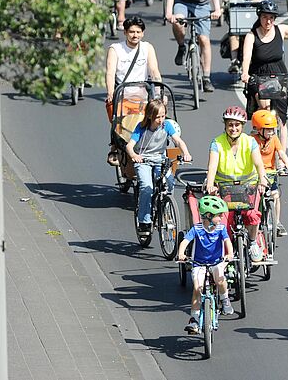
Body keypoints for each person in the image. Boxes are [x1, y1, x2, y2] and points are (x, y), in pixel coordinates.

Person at [240, 0, 288, 152]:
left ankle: (282, 155)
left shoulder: (281, 30)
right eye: (265, 17)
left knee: (281, 118)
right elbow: (246, 57)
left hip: (279, 77)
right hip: (259, 77)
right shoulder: (251, 36)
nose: (268, 21)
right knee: (265, 109)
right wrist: (245, 73)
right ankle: (261, 145)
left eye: (271, 17)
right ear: (259, 17)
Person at [204, 106, 268, 264]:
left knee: (252, 215)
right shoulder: (217, 143)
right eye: (230, 125)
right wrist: (210, 184)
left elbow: (259, 164)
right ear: (225, 125)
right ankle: (225, 251)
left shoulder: (250, 141)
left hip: (248, 186)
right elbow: (212, 166)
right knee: (224, 221)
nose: (233, 128)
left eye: (237, 125)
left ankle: (253, 242)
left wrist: (262, 179)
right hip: (224, 188)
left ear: (242, 126)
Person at [126, 99, 192, 234]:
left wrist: (186, 153)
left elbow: (178, 141)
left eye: (163, 116)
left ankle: (166, 208)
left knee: (169, 182)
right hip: (143, 161)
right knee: (147, 188)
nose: (161, 120)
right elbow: (129, 146)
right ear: (150, 116)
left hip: (160, 160)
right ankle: (144, 221)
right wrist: (134, 155)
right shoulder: (141, 127)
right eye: (157, 117)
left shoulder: (167, 126)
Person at [165, 0, 223, 92]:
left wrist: (217, 9)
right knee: (178, 22)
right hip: (182, 1)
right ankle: (181, 46)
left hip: (201, 3)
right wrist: (168, 13)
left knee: (204, 39)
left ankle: (206, 77)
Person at [105, 16, 162, 165]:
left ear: (142, 33)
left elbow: (154, 71)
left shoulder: (147, 48)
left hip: (143, 95)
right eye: (131, 32)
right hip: (123, 94)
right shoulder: (115, 49)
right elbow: (110, 72)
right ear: (125, 32)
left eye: (138, 32)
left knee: (158, 115)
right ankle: (115, 146)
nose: (135, 35)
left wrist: (159, 93)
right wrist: (111, 92)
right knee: (116, 116)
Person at [177, 195, 235, 334]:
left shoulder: (221, 228)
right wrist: (181, 253)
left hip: (217, 262)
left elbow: (227, 242)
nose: (221, 218)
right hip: (199, 264)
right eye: (218, 215)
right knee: (197, 288)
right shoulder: (197, 229)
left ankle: (225, 300)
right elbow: (185, 241)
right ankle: (194, 320)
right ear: (208, 216)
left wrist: (230, 253)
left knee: (220, 279)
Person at [250, 109, 288, 237]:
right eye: (267, 129)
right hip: (256, 174)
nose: (271, 132)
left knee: (275, 195)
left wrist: (287, 163)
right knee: (254, 199)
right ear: (258, 129)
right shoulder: (251, 140)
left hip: (271, 174)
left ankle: (277, 222)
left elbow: (280, 152)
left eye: (272, 129)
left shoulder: (274, 139)